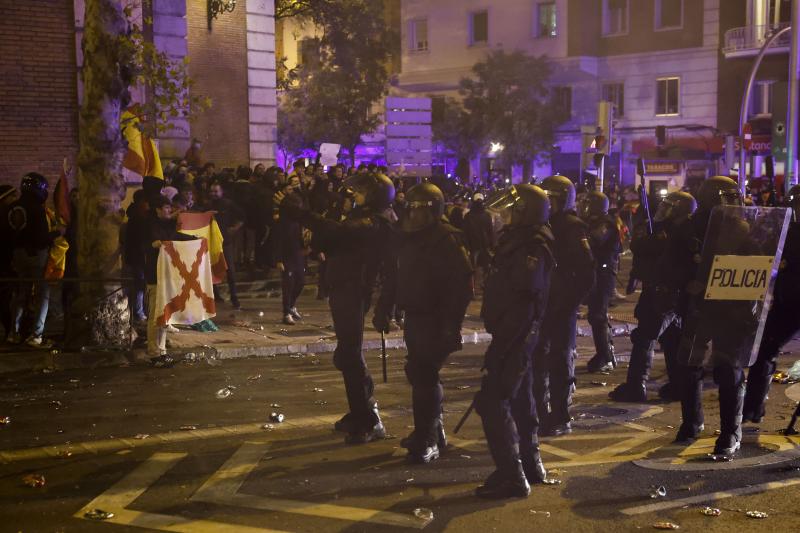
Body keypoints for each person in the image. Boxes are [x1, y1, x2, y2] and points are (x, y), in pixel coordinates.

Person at [274, 173, 397, 444]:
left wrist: (299, 213)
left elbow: (337, 232)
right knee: (346, 355)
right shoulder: (361, 218)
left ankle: (368, 420)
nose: (355, 195)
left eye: (361, 192)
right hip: (343, 289)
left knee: (350, 355)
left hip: (354, 291)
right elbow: (329, 240)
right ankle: (360, 412)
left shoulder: (375, 223)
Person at [376, 183, 472, 463]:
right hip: (415, 314)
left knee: (424, 375)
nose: (413, 215)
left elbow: (461, 287)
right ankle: (432, 431)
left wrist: (451, 325)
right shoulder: (406, 238)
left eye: (420, 209)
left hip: (437, 317)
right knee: (419, 374)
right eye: (411, 209)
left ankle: (427, 438)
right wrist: (384, 309)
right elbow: (395, 276)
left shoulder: (448, 239)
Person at [474, 185, 555, 499]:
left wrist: (504, 347)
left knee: (492, 402)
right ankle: (531, 465)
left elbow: (523, 302)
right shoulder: (519, 241)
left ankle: (512, 476)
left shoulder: (530, 248)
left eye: (511, 211)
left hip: (516, 335)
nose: (504, 216)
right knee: (522, 400)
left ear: (525, 213)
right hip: (515, 334)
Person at [664, 176, 752, 456]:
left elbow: (757, 263)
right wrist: (688, 281)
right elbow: (671, 264)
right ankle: (692, 422)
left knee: (728, 369)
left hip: (730, 309)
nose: (736, 204)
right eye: (730, 198)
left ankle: (730, 432)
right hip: (699, 308)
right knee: (690, 365)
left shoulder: (740, 228)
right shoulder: (690, 229)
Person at [609, 191, 696, 402]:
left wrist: (653, 234)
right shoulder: (674, 229)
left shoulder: (676, 233)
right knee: (671, 338)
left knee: (645, 337)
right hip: (669, 292)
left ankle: (636, 385)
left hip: (664, 292)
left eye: (668, 208)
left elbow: (641, 246)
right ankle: (678, 384)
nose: (663, 211)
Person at [533, 175, 595, 436]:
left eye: (552, 199)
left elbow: (587, 273)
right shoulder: (541, 224)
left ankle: (560, 416)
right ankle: (539, 413)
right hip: (542, 304)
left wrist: (569, 304)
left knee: (559, 362)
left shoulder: (572, 227)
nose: (548, 204)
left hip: (561, 306)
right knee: (537, 360)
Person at [742, 185, 800, 422]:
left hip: (790, 300)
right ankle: (752, 408)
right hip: (787, 303)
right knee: (764, 350)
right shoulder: (787, 231)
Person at [6, 173, 63, 347]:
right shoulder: (37, 209)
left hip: (17, 255)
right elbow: (41, 239)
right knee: (42, 295)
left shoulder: (11, 208)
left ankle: (13, 333)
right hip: (36, 256)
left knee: (21, 294)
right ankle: (36, 336)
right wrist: (56, 233)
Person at [143, 196, 195, 367]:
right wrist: (156, 244)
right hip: (155, 276)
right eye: (166, 207)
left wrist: (196, 239)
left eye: (170, 207)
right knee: (155, 316)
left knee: (166, 315)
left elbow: (178, 237)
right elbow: (149, 244)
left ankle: (162, 350)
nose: (169, 211)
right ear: (157, 209)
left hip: (168, 276)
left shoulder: (168, 226)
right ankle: (153, 353)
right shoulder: (150, 225)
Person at [579, 191, 621, 373]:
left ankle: (604, 355)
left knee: (598, 315)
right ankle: (606, 353)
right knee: (596, 315)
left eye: (587, 204)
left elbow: (593, 241)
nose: (583, 207)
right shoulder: (593, 222)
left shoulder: (605, 224)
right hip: (597, 274)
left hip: (603, 275)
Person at [206, 181, 244, 310]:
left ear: (221, 192)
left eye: (216, 191)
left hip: (225, 242)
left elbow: (242, 216)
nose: (213, 194)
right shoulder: (208, 205)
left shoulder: (228, 204)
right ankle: (216, 295)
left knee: (230, 271)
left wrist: (234, 228)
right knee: (211, 270)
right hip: (211, 243)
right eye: (212, 191)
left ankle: (234, 298)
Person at [274, 182, 307, 325]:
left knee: (301, 282)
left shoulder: (297, 221)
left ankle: (292, 306)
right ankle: (286, 312)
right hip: (286, 256)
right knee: (288, 285)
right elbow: (278, 241)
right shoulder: (283, 222)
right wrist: (279, 259)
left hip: (297, 255)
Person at [463, 192, 495, 293]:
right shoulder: (487, 215)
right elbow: (490, 231)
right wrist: (492, 245)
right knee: (485, 267)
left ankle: (473, 289)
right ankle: (483, 287)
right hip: (484, 245)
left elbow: (465, 232)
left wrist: (466, 246)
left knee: (473, 268)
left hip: (473, 246)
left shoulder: (468, 216)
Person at [0, 185, 20, 341]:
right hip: (5, 262)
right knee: (6, 298)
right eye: (13, 196)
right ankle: (10, 331)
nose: (15, 199)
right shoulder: (7, 214)